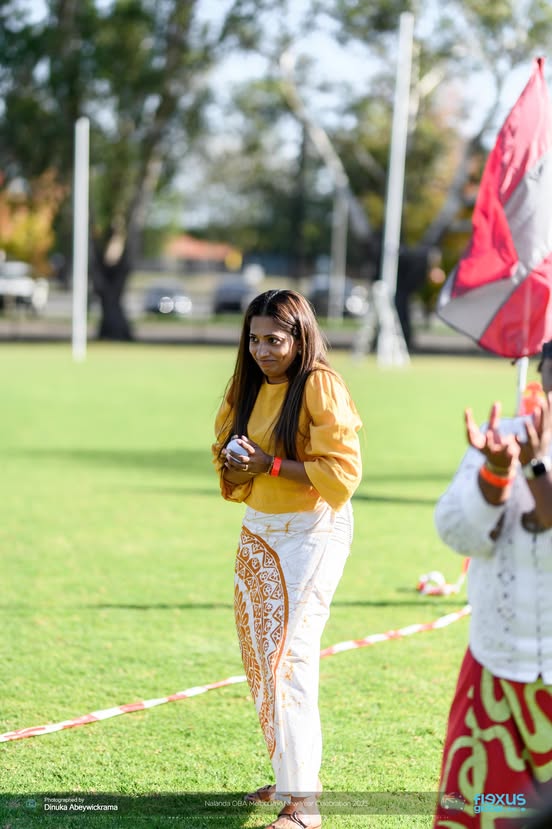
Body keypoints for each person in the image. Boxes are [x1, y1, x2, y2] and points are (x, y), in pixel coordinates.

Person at [212, 289, 362, 829]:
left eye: (274, 339)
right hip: (259, 532)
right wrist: (236, 461)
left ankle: (304, 804)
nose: (262, 350)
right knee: (260, 659)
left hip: (312, 532)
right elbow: (226, 457)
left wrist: (269, 465)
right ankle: (291, 773)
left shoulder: (320, 384)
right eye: (253, 339)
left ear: (300, 337)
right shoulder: (247, 385)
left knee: (287, 659)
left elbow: (341, 475)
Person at [433, 342, 552, 828]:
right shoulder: (502, 435)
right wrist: (496, 473)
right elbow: (455, 530)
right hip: (494, 676)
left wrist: (534, 467)